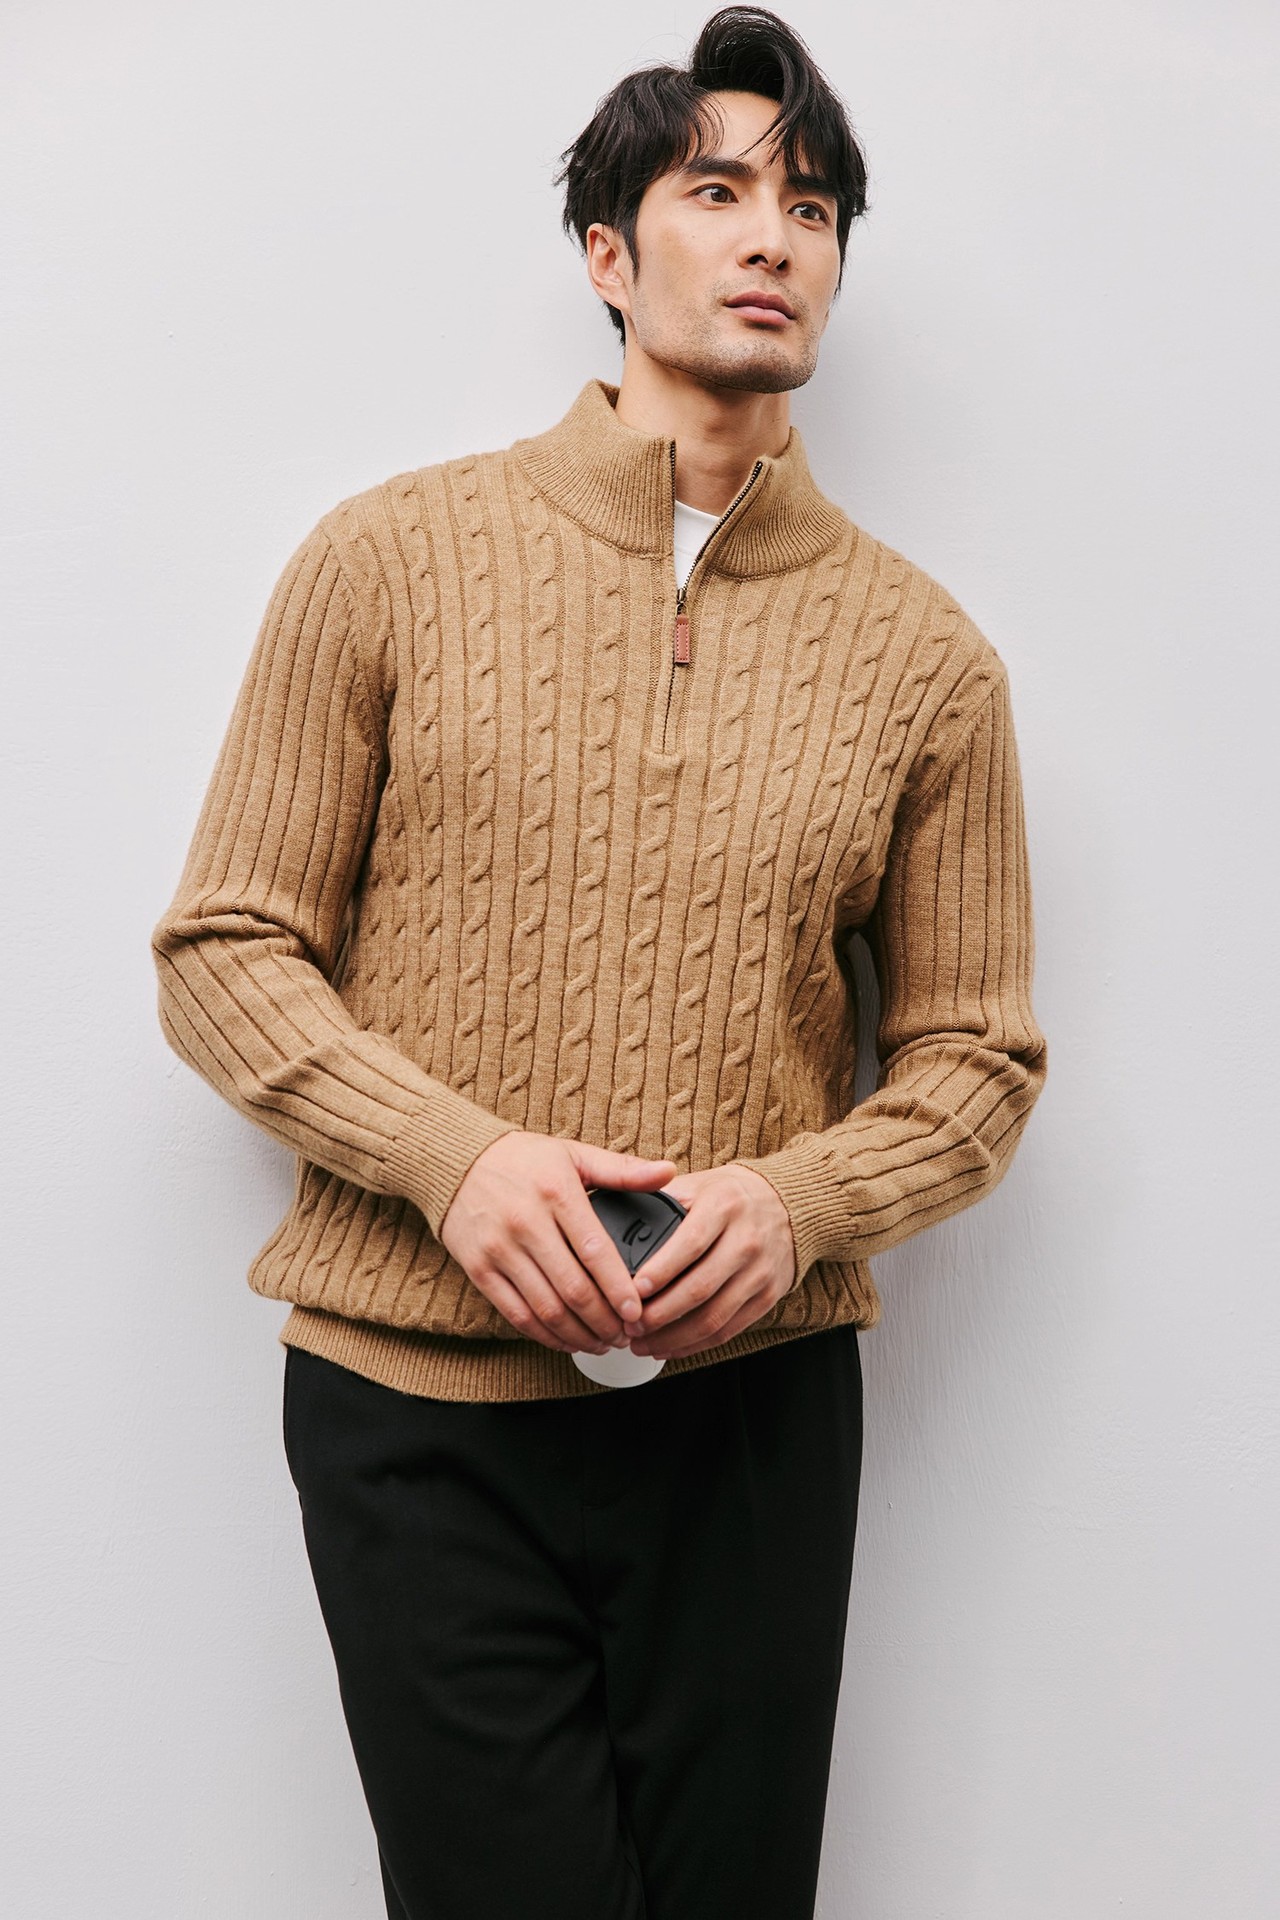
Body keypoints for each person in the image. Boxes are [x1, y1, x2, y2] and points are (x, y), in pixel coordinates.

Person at [150, 8, 1046, 1916]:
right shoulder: (384, 561)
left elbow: (977, 1059)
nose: (774, 237)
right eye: (717, 191)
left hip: (751, 1423)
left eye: (814, 207)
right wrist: (453, 1161)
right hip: (411, 1402)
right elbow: (225, 948)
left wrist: (802, 1204)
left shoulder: (930, 661)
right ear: (609, 256)